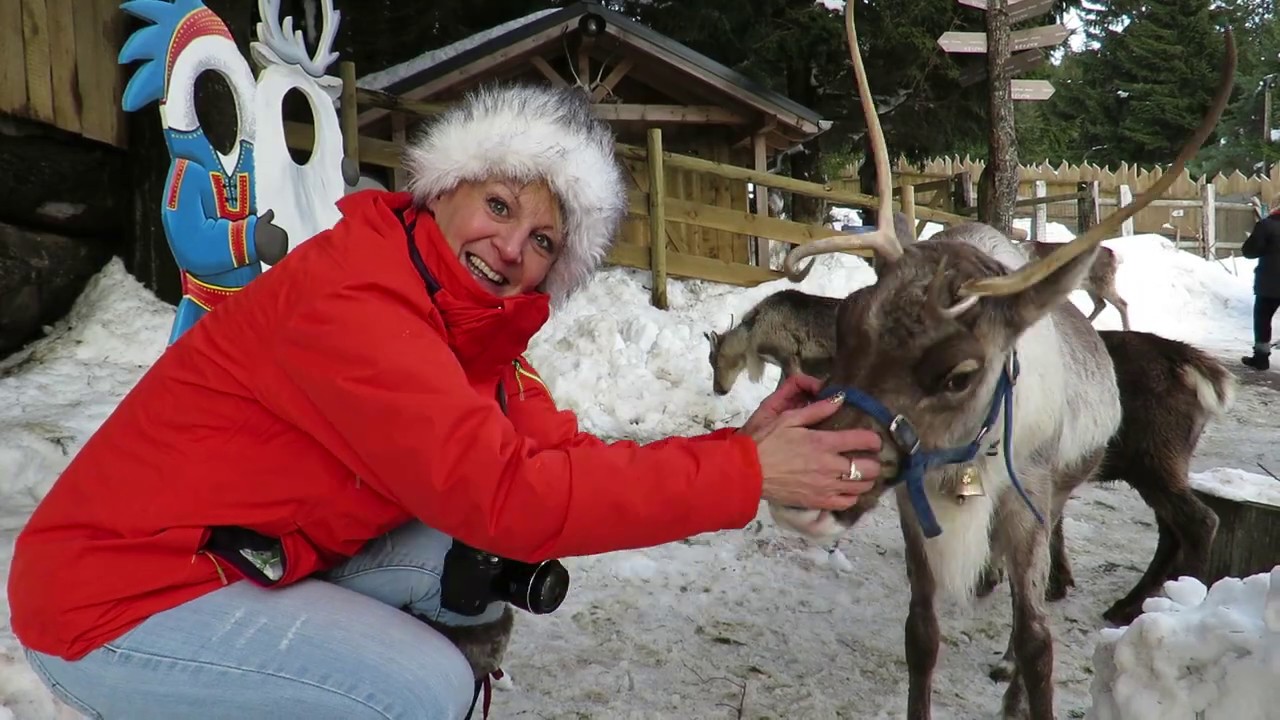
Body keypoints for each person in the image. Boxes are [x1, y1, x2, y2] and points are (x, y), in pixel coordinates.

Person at [7, 83, 882, 720]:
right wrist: (740, 475)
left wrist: (746, 449)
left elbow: (555, 462)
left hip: (236, 554)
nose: (511, 249)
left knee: (471, 561)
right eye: (499, 205)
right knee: (424, 692)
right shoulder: (359, 299)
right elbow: (511, 494)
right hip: (113, 601)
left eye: (544, 240)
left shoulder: (473, 335)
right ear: (442, 189)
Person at [1241, 194, 1280, 370]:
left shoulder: (1267, 226)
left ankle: (1261, 357)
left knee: (1263, 318)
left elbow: (1249, 252)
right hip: (1269, 283)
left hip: (1269, 284)